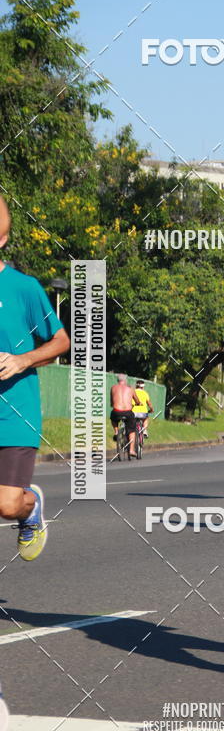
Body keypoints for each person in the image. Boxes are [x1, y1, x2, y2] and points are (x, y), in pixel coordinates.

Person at [0, 194, 70, 561]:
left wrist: (23, 360)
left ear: (2, 240)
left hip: (15, 411)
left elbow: (61, 341)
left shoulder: (23, 288)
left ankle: (31, 509)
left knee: (8, 505)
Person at [110, 374, 139, 459]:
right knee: (132, 431)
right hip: (127, 412)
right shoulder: (130, 388)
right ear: (125, 380)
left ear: (117, 380)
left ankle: (116, 431)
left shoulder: (113, 388)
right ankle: (131, 450)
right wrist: (138, 403)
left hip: (116, 411)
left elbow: (112, 402)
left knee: (113, 418)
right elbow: (137, 400)